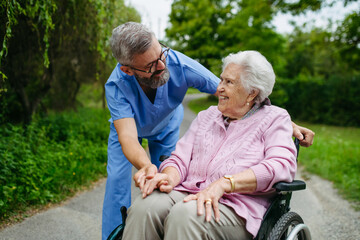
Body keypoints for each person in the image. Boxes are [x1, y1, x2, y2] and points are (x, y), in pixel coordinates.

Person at [103, 22, 314, 240]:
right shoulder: (207, 116)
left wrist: (225, 183)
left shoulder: (274, 118)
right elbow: (178, 158)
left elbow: (281, 166)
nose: (219, 87)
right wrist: (167, 177)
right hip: (188, 192)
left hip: (236, 205)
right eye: (221, 79)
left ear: (252, 93)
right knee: (145, 205)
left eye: (228, 82)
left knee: (185, 215)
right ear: (128, 69)